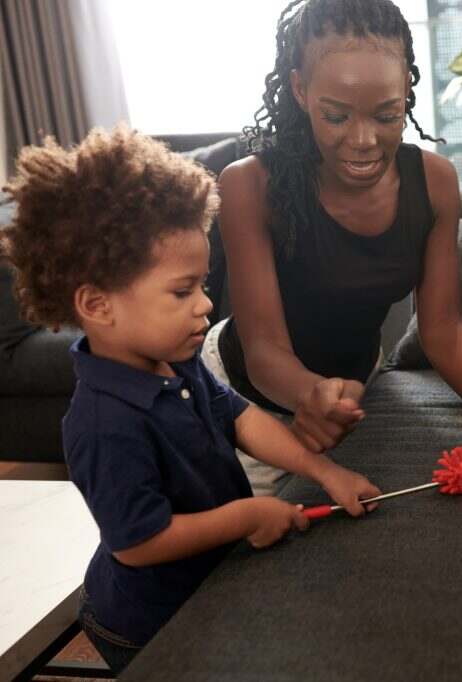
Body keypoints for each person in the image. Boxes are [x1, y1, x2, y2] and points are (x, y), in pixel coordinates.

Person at [0, 126, 381, 673]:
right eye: (183, 291)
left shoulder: (177, 361)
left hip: (207, 584)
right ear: (98, 305)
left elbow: (242, 418)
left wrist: (326, 471)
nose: (205, 306)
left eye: (203, 285)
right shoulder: (102, 423)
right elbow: (140, 543)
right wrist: (248, 513)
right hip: (145, 623)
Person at [209, 0, 462, 494]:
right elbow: (263, 348)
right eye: (335, 116)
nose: (363, 140)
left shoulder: (434, 182)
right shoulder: (249, 186)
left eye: (387, 115)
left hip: (351, 390)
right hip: (245, 399)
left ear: (407, 95)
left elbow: (441, 328)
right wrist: (309, 394)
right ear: (299, 90)